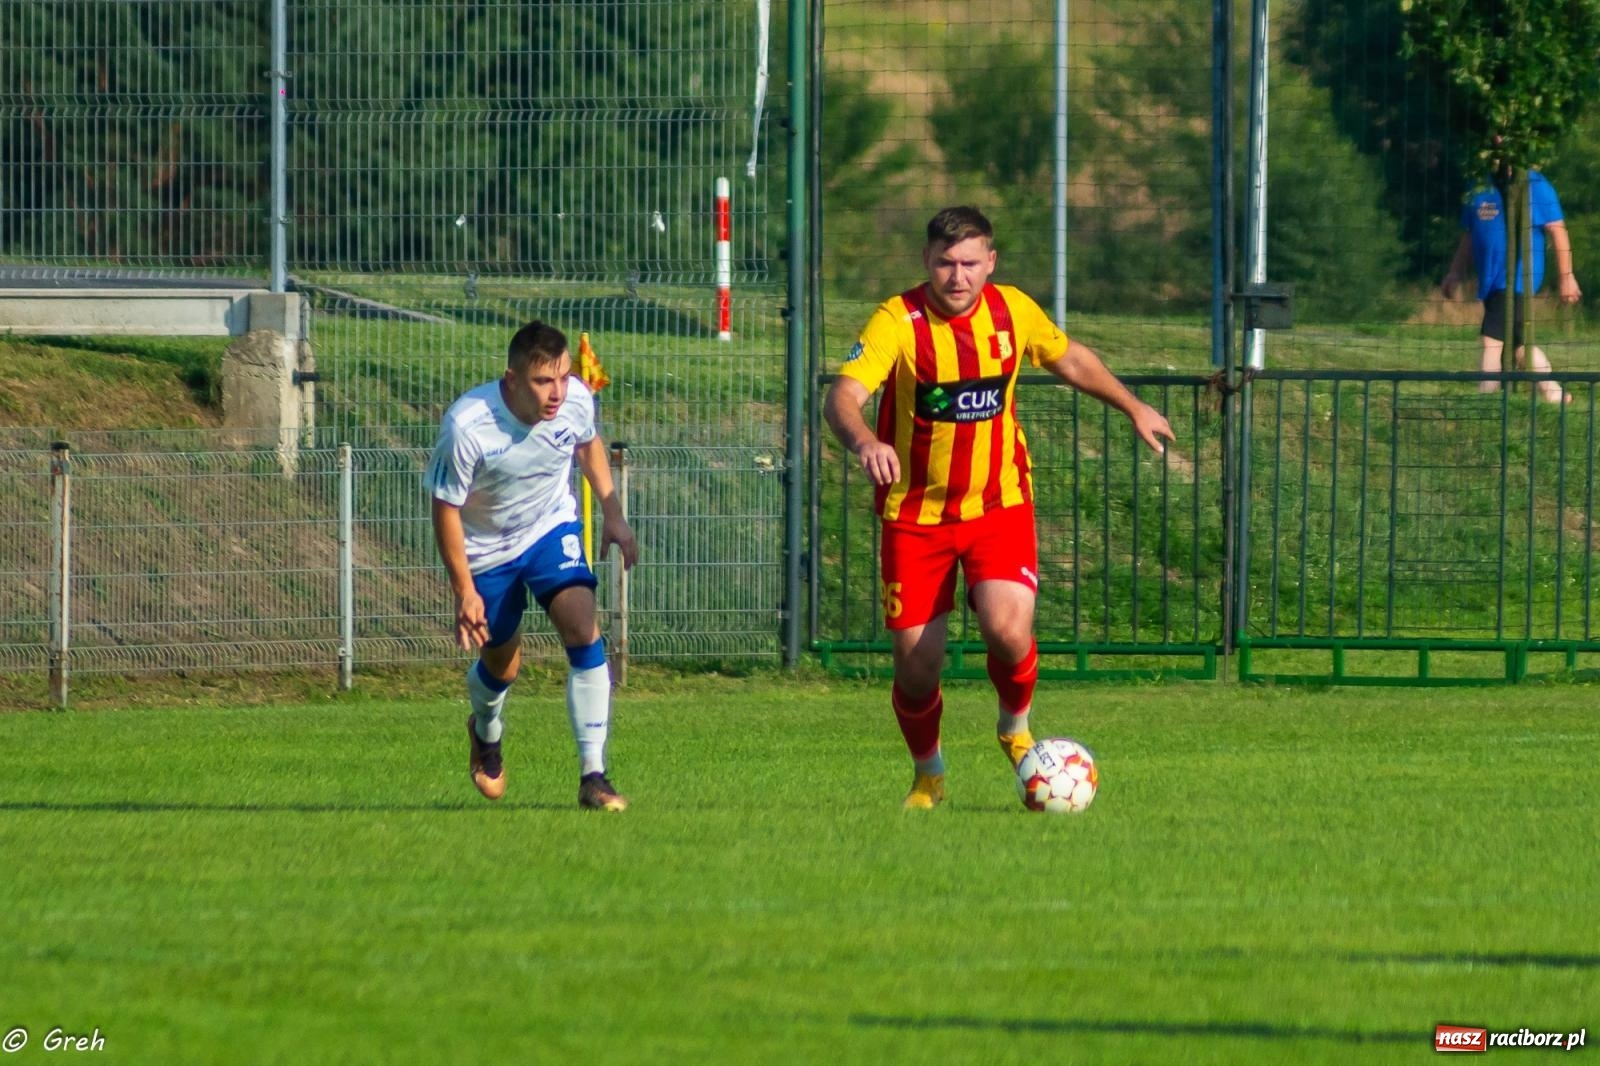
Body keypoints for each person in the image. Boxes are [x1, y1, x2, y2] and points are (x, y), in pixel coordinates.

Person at [823, 206, 1174, 810]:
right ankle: (929, 775)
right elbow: (844, 396)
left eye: (968, 263)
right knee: (916, 666)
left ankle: (1015, 728)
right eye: (944, 263)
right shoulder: (898, 320)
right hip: (915, 515)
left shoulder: (1013, 310)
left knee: (1008, 631)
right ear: (926, 262)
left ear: (991, 262)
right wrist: (865, 440)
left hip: (998, 504)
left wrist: (1133, 405)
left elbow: (1070, 358)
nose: (956, 276)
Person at [426, 320, 638, 808]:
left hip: (548, 527)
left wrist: (613, 513)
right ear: (512, 380)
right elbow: (445, 508)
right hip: (485, 550)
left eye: (563, 377)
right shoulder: (467, 425)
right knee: (503, 663)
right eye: (545, 381)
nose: (558, 392)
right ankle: (485, 729)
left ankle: (594, 775)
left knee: (583, 629)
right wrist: (465, 590)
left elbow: (587, 443)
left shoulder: (575, 399)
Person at [1439, 168, 1582, 404]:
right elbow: (1469, 235)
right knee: (1519, 346)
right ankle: (1555, 395)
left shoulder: (1534, 184)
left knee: (1491, 341)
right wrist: (1455, 272)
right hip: (1490, 281)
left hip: (1517, 280)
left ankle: (1487, 402)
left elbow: (1557, 230)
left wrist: (1566, 276)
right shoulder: (1479, 185)